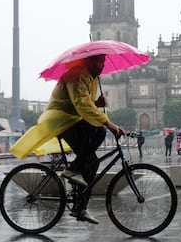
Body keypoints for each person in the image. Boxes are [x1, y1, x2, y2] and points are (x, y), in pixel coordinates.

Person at [10, 54, 125, 225]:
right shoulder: (77, 74)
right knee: (100, 132)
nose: (101, 65)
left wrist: (97, 103)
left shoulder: (91, 77)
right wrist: (109, 124)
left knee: (91, 162)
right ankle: (72, 170)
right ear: (88, 61)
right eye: (98, 61)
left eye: (103, 61)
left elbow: (84, 102)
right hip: (59, 120)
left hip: (71, 119)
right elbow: (81, 104)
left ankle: (81, 207)